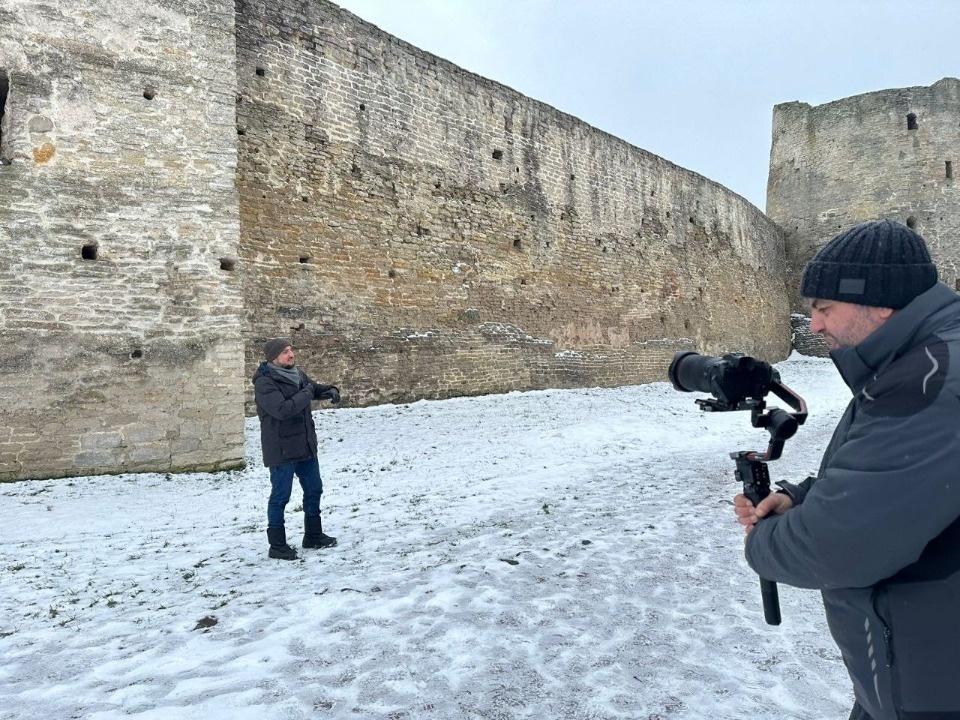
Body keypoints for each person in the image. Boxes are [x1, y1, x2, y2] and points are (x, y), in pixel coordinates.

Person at [733, 219, 960, 720]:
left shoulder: (928, 381)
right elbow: (912, 483)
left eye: (823, 308)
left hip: (936, 687)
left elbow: (839, 546)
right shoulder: (928, 359)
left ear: (879, 302)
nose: (813, 325)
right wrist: (806, 495)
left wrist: (762, 540)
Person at [253, 338, 342, 560]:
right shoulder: (265, 383)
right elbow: (284, 410)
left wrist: (330, 390)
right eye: (285, 352)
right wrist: (308, 391)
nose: (291, 354)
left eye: (291, 349)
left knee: (314, 489)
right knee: (280, 496)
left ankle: (313, 535)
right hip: (281, 449)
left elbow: (313, 389)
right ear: (274, 358)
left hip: (305, 445)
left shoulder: (297, 373)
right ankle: (277, 545)